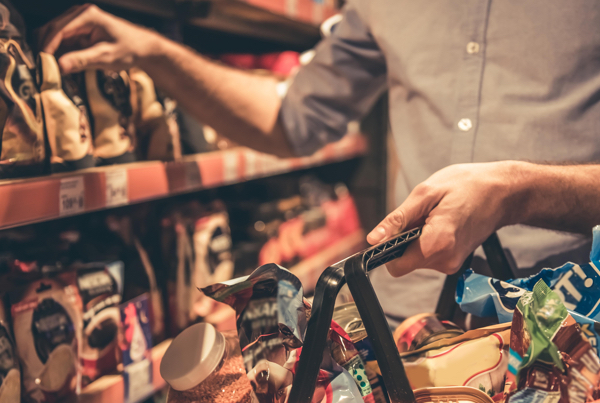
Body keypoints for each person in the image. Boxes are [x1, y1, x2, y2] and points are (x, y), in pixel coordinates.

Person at [38, 1, 600, 322]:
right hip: (411, 317)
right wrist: (155, 52)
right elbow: (293, 119)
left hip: (575, 318)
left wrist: (519, 190)